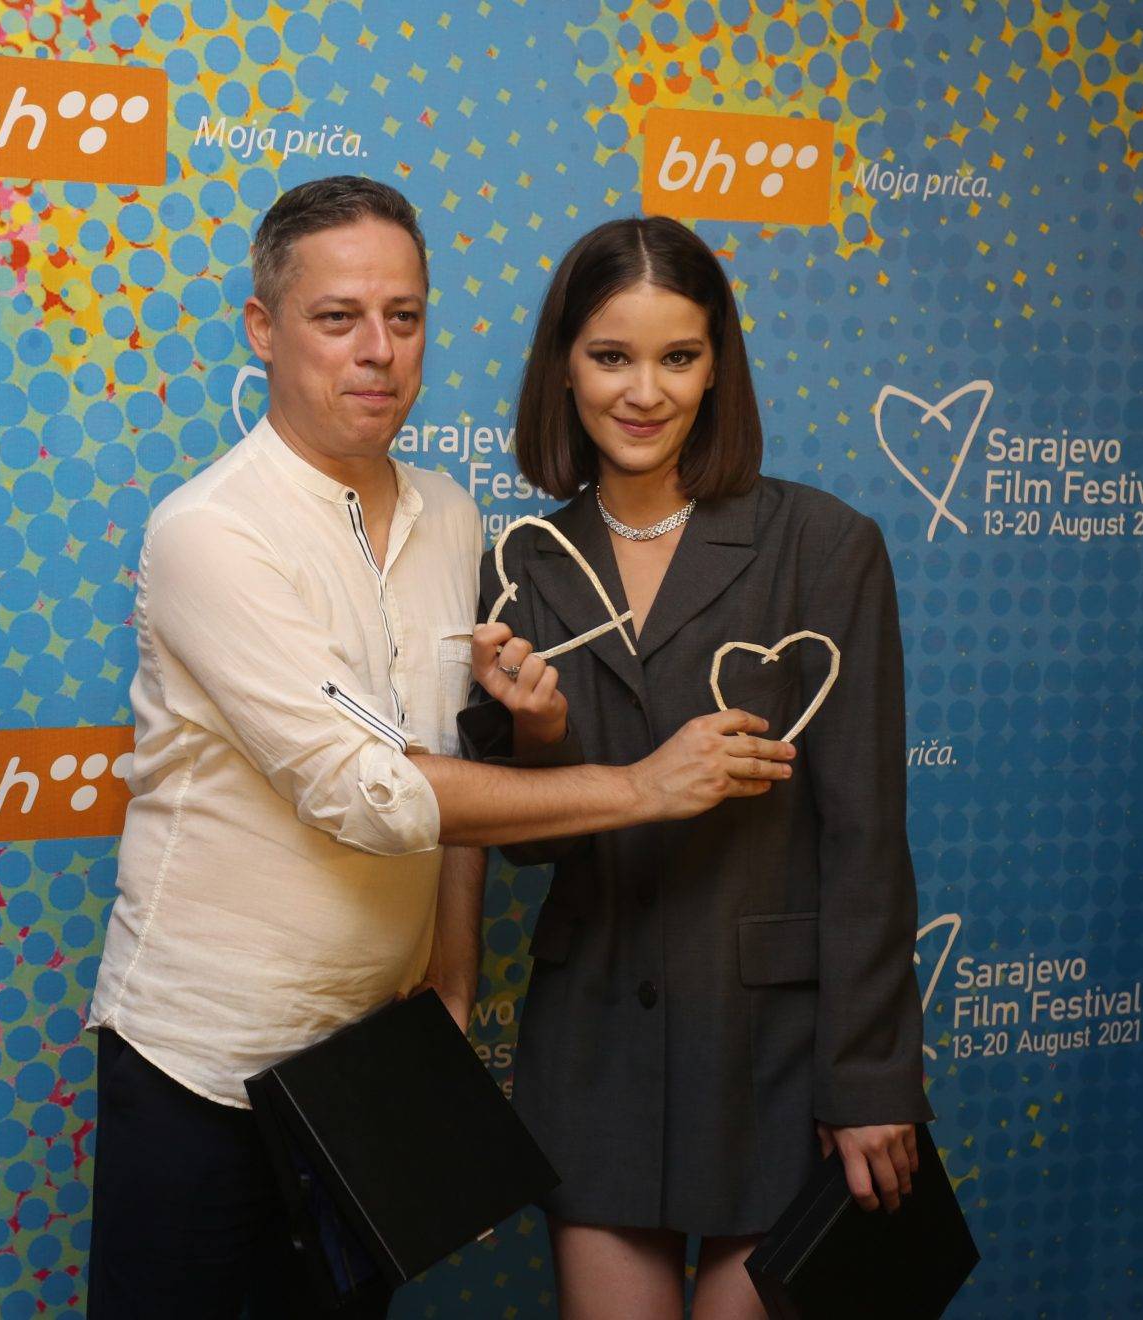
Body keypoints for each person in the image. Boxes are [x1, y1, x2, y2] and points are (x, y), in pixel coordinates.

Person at [81, 179, 797, 1319]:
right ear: (263, 328)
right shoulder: (209, 532)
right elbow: (366, 791)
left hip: (371, 1071)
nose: (378, 350)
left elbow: (449, 765)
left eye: (403, 317)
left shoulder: (455, 518)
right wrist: (641, 786)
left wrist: (455, 976)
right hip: (203, 1070)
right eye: (337, 318)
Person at [459, 215, 933, 1319]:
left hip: (775, 1051)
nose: (645, 391)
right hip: (593, 1047)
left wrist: (869, 1078)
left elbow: (866, 836)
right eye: (610, 356)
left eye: (678, 356)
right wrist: (538, 738)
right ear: (563, 367)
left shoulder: (825, 546)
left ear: (718, 367)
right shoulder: (520, 565)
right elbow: (521, 852)